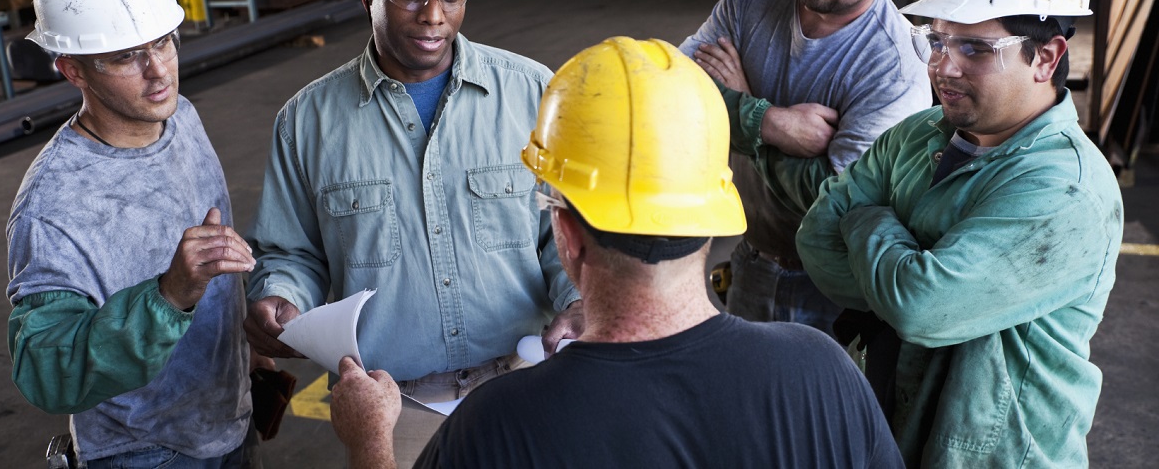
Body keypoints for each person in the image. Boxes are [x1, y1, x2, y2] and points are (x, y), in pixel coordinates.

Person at [329, 37, 905, 468]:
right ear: (711, 216)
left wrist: (370, 441)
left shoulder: (496, 426)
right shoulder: (819, 373)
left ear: (568, 233)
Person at [796, 0, 1123, 467]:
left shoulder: (1066, 191)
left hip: (998, 455)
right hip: (893, 430)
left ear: (1045, 57)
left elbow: (923, 308)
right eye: (938, 41)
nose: (942, 67)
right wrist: (903, 277)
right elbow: (814, 244)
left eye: (975, 49)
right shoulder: (918, 134)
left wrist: (868, 221)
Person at [244, 0, 583, 402]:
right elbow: (293, 254)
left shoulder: (532, 92)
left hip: (526, 383)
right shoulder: (306, 122)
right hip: (390, 402)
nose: (433, 16)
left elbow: (564, 231)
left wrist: (580, 300)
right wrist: (281, 296)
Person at [5, 0, 256, 467]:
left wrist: (239, 340)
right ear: (72, 69)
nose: (159, 71)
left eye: (164, 43)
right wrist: (168, 296)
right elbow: (48, 373)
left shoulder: (180, 117)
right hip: (143, 451)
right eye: (125, 56)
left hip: (229, 420)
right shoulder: (53, 204)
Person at [679, 0, 933, 332]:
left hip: (830, 288)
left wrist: (735, 109)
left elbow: (840, 204)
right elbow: (672, 89)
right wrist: (767, 120)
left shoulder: (893, 67)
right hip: (750, 253)